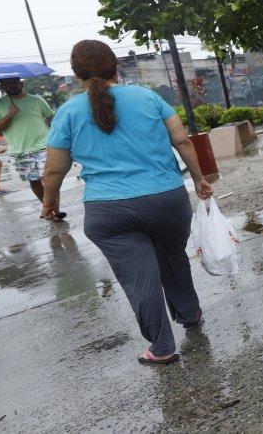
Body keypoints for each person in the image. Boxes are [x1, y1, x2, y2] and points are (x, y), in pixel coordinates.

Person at [41, 40, 214, 365]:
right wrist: (199, 178)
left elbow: (54, 169)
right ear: (115, 66)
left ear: (76, 74)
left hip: (110, 211)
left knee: (140, 277)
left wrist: (49, 203)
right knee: (172, 258)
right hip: (166, 199)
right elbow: (181, 140)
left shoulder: (68, 113)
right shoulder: (148, 97)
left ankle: (162, 347)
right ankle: (190, 313)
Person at [0, 77, 61, 220]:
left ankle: (56, 210)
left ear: (21, 83)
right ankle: (50, 209)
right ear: (2, 86)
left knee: (50, 179)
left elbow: (51, 118)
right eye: (8, 83)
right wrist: (10, 115)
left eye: (15, 82)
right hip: (19, 150)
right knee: (34, 180)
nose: (12, 85)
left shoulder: (37, 100)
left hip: (44, 146)